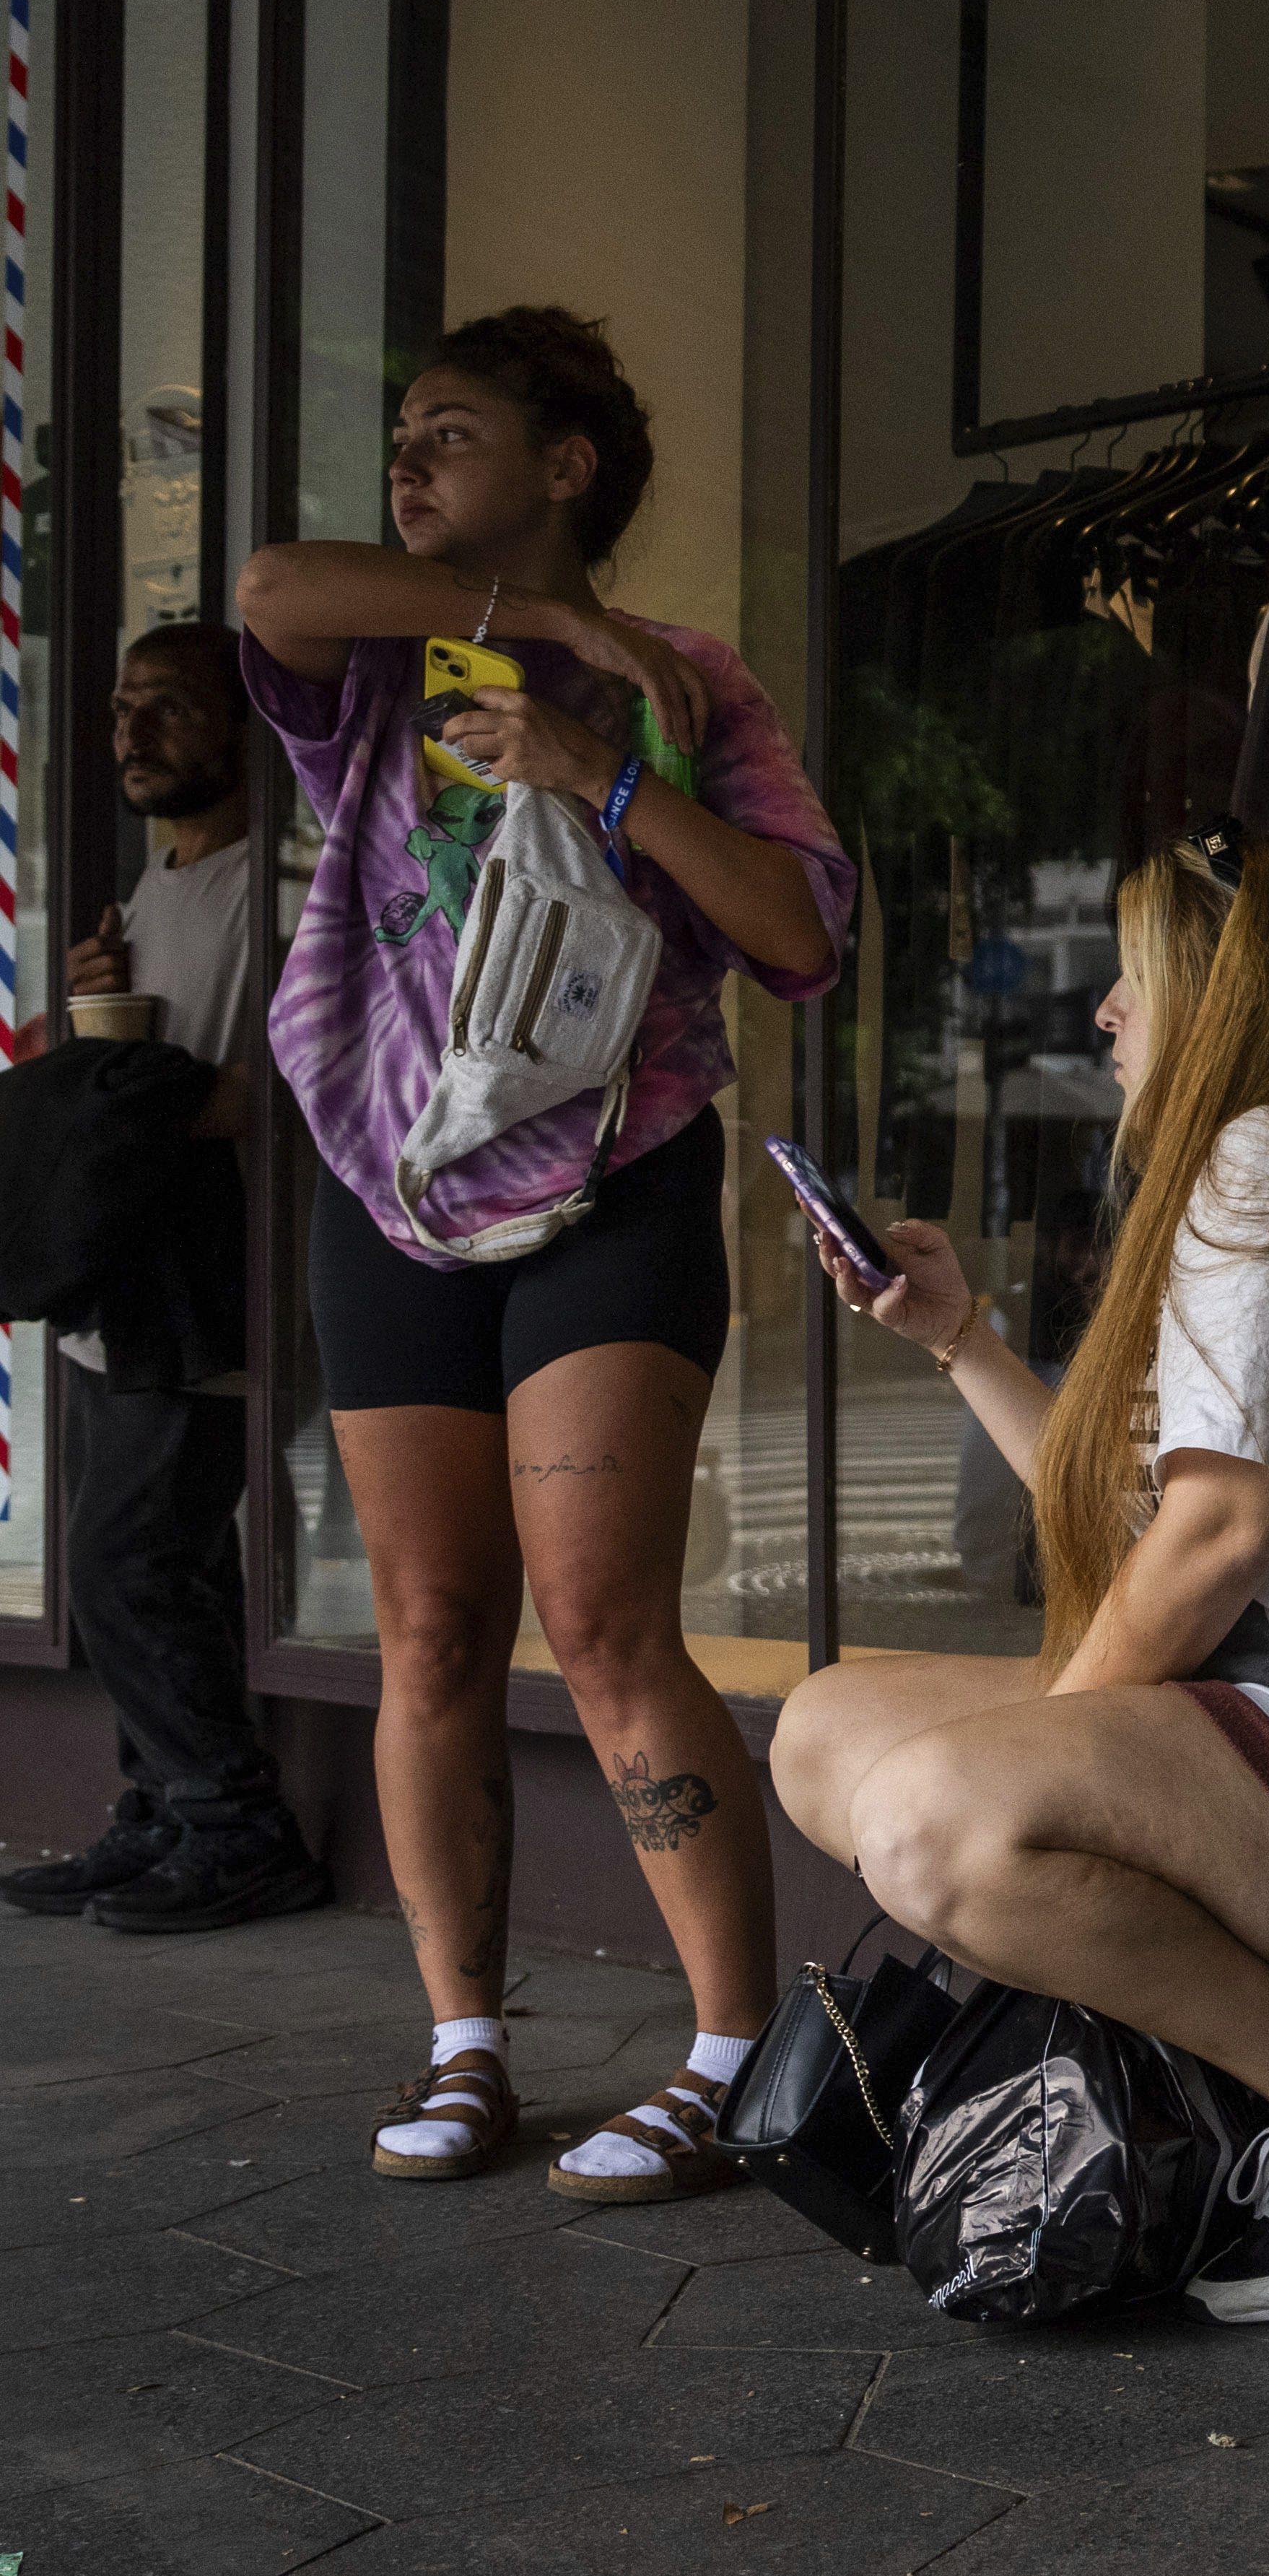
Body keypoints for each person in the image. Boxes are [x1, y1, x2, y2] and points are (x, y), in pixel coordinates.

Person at [767, 827, 1269, 2325]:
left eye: (1133, 978)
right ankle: (1200, 2086)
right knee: (824, 1728)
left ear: (1223, 985)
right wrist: (958, 1338)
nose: (1106, 1013)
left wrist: (1031, 1752)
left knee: (938, 1818)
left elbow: (1215, 1538)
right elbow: (1143, 1514)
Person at [228, 310, 855, 2198]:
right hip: (396, 1182)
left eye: (452, 432)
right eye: (400, 435)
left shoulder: (694, 691)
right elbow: (265, 582)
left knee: (598, 1624)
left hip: (614, 1171)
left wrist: (598, 754)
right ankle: (465, 2042)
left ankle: (733, 2053)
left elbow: (799, 934)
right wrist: (545, 618)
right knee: (428, 1626)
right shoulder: (379, 658)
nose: (407, 465)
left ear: (565, 462)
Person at [9, 625, 321, 1935]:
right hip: (135, 1290)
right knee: (162, 1563)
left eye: (170, 708)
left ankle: (230, 1820)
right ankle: (160, 1810)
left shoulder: (285, 892)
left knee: (126, 1559)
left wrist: (146, 1088)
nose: (133, 731)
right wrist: (100, 1007)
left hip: (218, 1290)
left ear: (244, 730)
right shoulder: (151, 893)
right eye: (125, 704)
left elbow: (275, 1092)